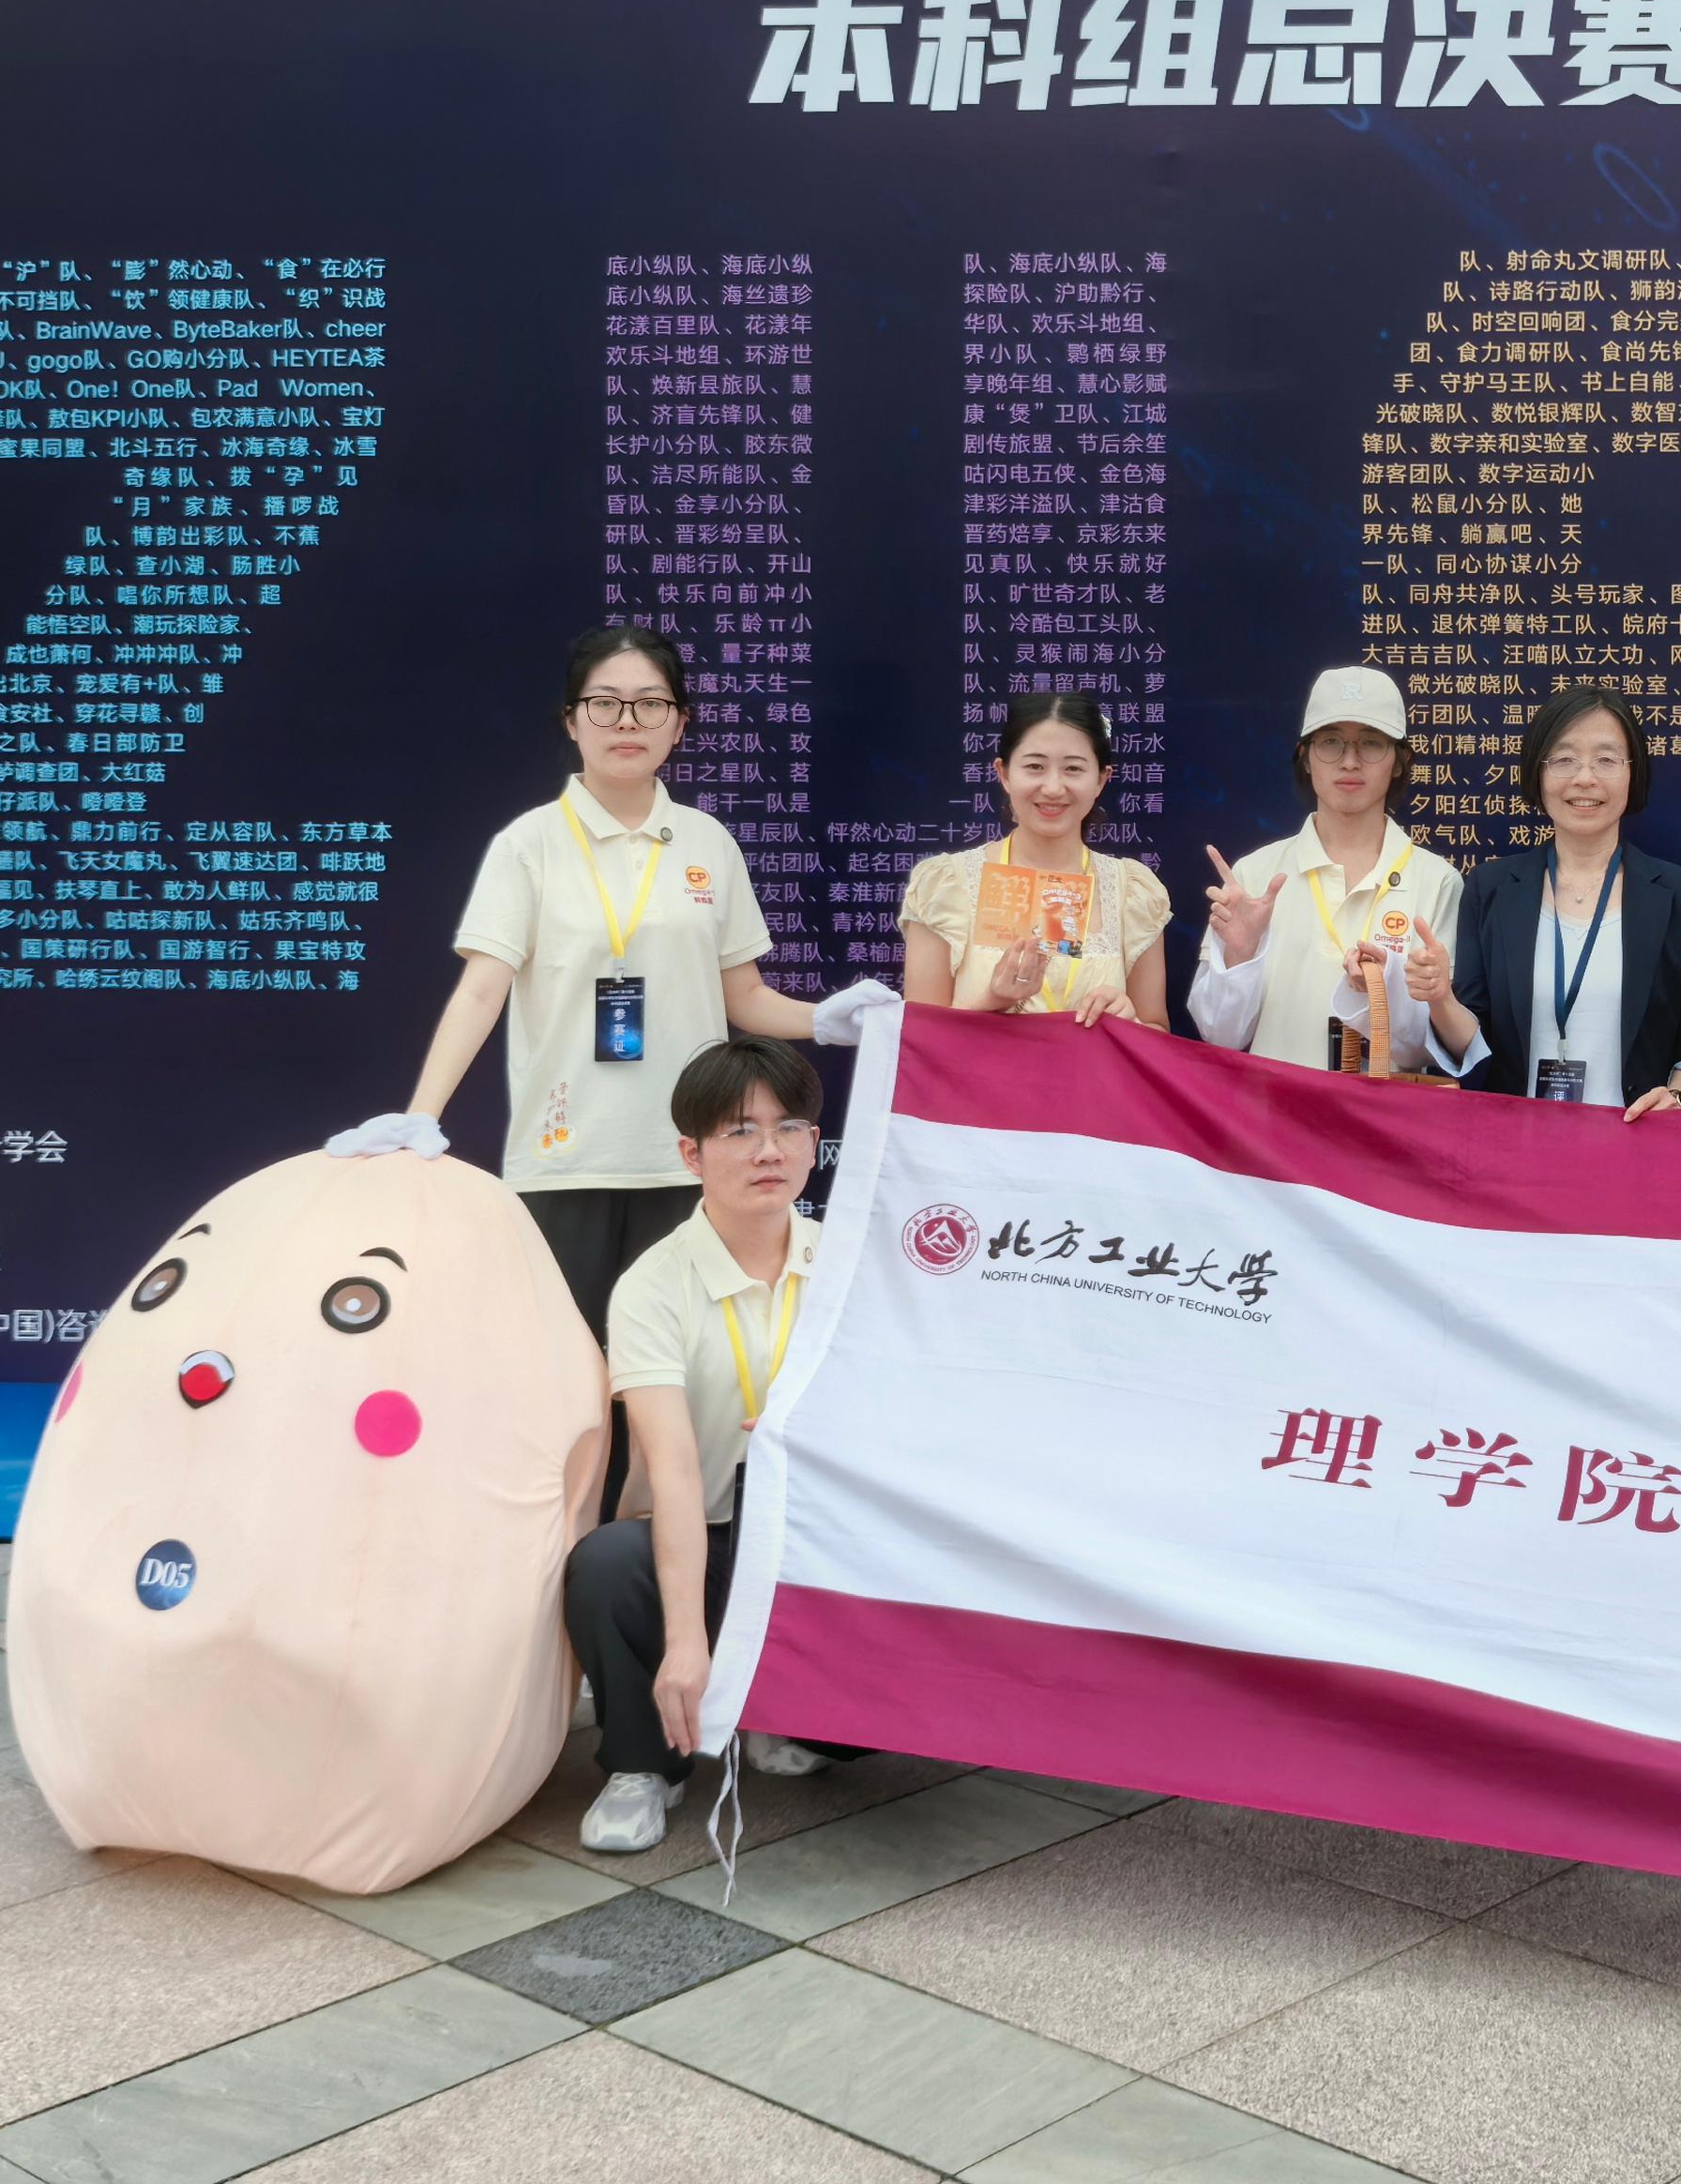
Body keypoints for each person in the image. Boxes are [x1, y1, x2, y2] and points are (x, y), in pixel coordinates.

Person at [392, 628, 886, 1345]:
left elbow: (744, 998)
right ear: (571, 720)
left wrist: (827, 1019)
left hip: (691, 1157)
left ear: (680, 724)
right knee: (567, 1366)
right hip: (564, 1162)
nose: (628, 722)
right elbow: (480, 991)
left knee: (678, 1369)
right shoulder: (528, 845)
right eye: (605, 703)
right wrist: (421, 1116)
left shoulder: (708, 842)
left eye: (651, 704)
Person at [563, 1035, 838, 1848]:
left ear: (814, 1145)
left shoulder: (849, 1263)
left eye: (789, 1129)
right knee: (608, 1564)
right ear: (692, 1154)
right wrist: (686, 1644)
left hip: (810, 1538)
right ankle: (643, 1764)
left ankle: (775, 1714)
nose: (769, 1151)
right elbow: (675, 1471)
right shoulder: (653, 1285)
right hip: (700, 1533)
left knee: (855, 1733)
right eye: (740, 1131)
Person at [1428, 683, 1681, 1115]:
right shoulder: (1490, 889)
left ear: (1633, 772)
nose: (1585, 778)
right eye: (1564, 759)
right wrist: (1438, 998)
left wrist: (1678, 1097)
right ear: (1538, 772)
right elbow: (1471, 1041)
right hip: (1515, 1139)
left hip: (1639, 1139)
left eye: (1606, 760)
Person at [1189, 665, 1464, 1072]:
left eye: (1371, 743)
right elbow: (1220, 1036)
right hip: (1272, 1107)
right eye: (1331, 742)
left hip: (1380, 1111)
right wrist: (1240, 955)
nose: (1350, 761)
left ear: (1399, 761)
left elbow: (1423, 1054)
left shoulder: (1437, 880)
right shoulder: (1256, 874)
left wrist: (1381, 991)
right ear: (1305, 757)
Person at [900, 690, 1172, 1027]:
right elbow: (918, 1035)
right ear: (1004, 773)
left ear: (1101, 779)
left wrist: (1131, 1022)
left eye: (1073, 768)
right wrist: (990, 1002)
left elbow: (1157, 1030)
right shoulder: (945, 883)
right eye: (1034, 767)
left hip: (1089, 1066)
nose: (1053, 788)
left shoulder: (1132, 890)